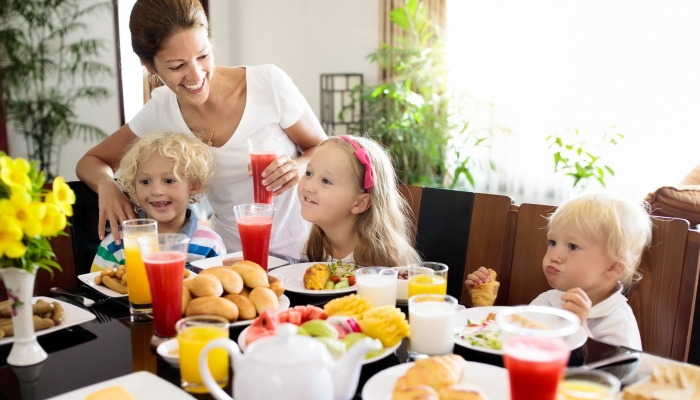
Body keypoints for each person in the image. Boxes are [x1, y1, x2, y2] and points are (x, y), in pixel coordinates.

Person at [76, 0, 326, 257]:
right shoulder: (162, 109)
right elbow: (91, 161)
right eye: (176, 66)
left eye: (203, 56)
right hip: (227, 260)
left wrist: (297, 167)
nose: (196, 76)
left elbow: (322, 147)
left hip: (303, 253)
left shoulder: (268, 84)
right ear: (149, 66)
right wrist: (108, 186)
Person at [465, 192, 652, 350]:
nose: (554, 255)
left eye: (572, 246)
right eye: (552, 242)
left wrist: (582, 329)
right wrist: (482, 306)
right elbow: (510, 342)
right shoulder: (547, 300)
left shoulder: (618, 323)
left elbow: (611, 379)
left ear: (613, 266)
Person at [91, 132, 226, 271]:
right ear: (134, 187)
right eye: (145, 182)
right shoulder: (115, 244)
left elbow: (222, 288)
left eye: (169, 181)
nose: (156, 191)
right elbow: (95, 288)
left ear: (193, 186)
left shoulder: (210, 244)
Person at [298, 135, 421, 267]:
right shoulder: (309, 249)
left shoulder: (394, 261)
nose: (309, 187)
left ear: (360, 203)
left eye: (326, 181)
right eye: (309, 173)